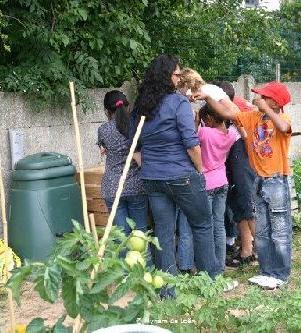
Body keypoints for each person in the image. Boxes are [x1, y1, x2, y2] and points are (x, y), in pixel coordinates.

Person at [128, 54, 220, 290]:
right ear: (166, 76)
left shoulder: (141, 107)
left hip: (153, 178)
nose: (180, 79)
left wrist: (149, 166)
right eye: (177, 74)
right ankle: (210, 283)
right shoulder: (178, 103)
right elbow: (191, 143)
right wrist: (200, 170)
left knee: (163, 233)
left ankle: (166, 289)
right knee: (202, 224)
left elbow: (135, 146)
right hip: (181, 176)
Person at [193, 81, 293, 290]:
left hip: (277, 179)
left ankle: (280, 274)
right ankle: (266, 271)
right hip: (258, 179)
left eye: (264, 97)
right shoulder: (251, 117)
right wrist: (208, 97)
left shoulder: (282, 118)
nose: (259, 99)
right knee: (264, 230)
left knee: (280, 230)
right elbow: (225, 112)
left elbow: (284, 128)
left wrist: (266, 110)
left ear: (275, 103)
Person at [212, 81, 257, 267]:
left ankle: (263, 249)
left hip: (241, 159)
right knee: (238, 205)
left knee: (246, 203)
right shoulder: (221, 116)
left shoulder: (236, 114)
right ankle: (247, 250)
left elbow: (247, 139)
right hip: (232, 162)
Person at [97, 90, 149, 237]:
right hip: (136, 186)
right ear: (127, 106)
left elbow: (103, 149)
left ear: (107, 111)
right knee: (140, 233)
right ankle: (145, 261)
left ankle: (121, 261)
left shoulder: (103, 130)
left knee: (121, 236)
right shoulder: (137, 126)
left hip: (112, 187)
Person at [197, 104, 236, 273]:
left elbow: (190, 140)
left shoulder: (205, 133)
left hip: (206, 183)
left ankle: (208, 267)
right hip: (222, 182)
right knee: (219, 225)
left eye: (205, 120)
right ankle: (220, 266)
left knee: (206, 226)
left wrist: (195, 122)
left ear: (210, 119)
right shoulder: (232, 135)